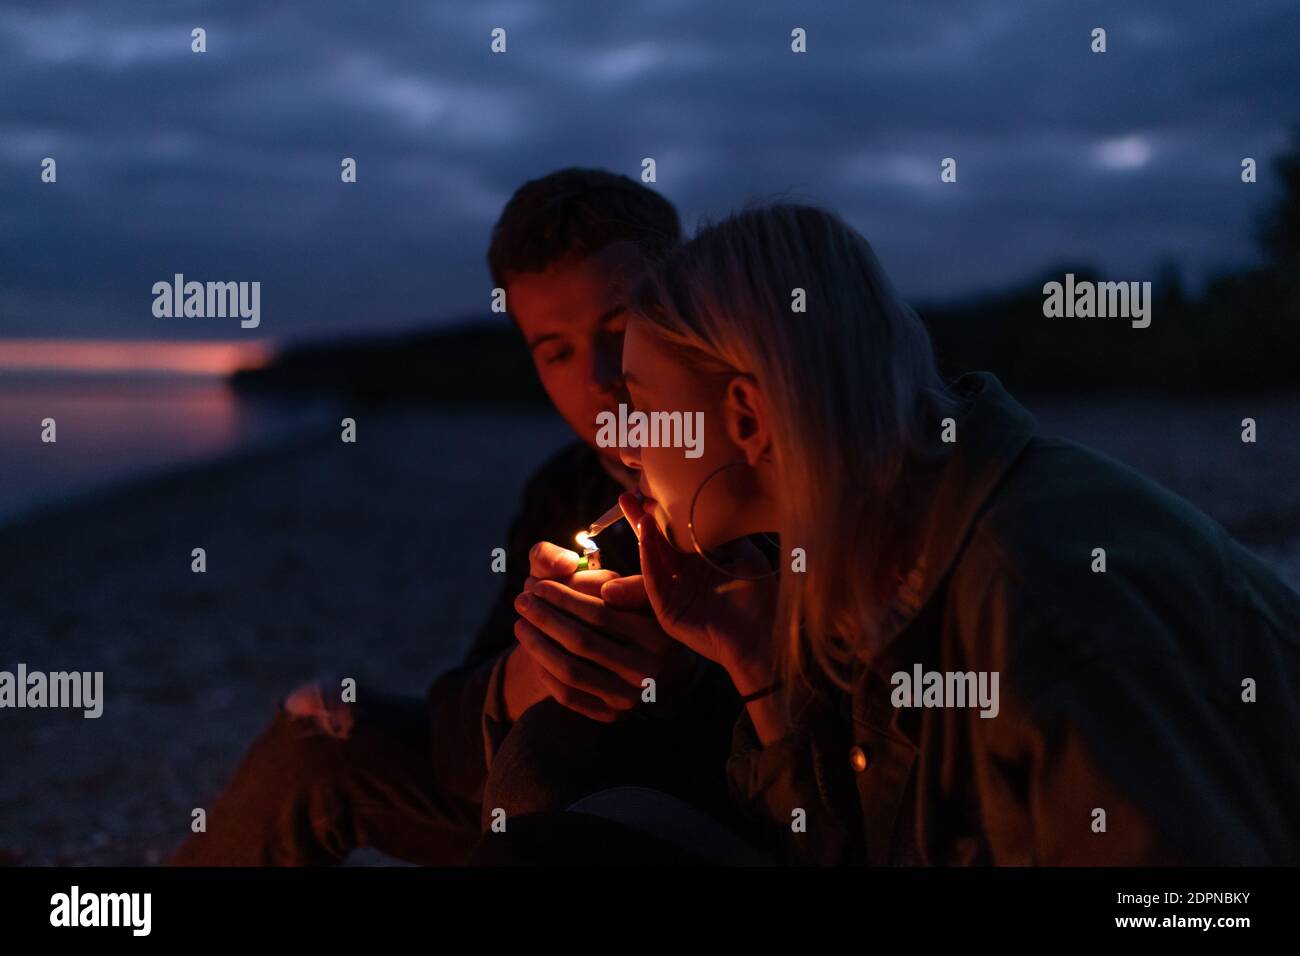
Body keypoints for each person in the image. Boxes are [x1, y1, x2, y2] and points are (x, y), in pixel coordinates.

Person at [506, 201, 1300, 865]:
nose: (628, 442)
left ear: (747, 417)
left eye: (645, 406)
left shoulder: (1044, 605)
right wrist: (753, 659)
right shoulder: (883, 542)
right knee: (557, 771)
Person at [169, 169, 747, 866]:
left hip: (702, 818)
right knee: (320, 741)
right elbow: (460, 716)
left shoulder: (763, 467)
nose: (597, 375)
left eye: (619, 326)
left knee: (542, 770)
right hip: (530, 797)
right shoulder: (567, 489)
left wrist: (680, 672)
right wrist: (531, 672)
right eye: (555, 350)